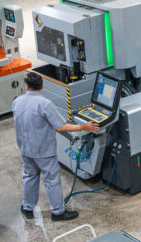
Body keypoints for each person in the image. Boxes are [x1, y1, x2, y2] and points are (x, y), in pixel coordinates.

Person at [13, 72, 98, 221]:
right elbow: (61, 126)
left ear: (26, 86)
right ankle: (58, 212)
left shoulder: (17, 101)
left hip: (25, 148)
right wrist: (83, 127)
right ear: (42, 86)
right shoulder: (44, 104)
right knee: (52, 180)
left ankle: (27, 208)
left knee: (29, 176)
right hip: (43, 151)